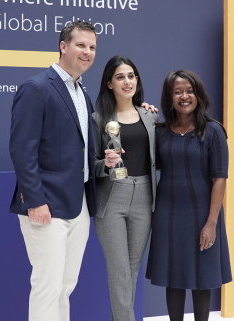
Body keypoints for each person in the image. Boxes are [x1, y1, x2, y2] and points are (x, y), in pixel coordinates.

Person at [9, 21, 98, 321]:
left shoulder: (81, 92)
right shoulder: (36, 88)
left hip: (79, 204)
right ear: (63, 46)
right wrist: (35, 201)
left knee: (65, 286)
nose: (87, 52)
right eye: (81, 45)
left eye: (92, 47)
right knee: (47, 285)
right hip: (45, 204)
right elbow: (23, 150)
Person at [145, 70, 232, 321]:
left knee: (202, 279)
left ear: (198, 95)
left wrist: (211, 224)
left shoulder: (214, 131)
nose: (184, 96)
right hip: (168, 216)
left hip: (203, 215)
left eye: (189, 91)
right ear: (169, 97)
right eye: (178, 91)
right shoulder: (160, 132)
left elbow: (220, 179)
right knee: (174, 278)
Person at [92, 55, 158, 321]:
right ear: (109, 83)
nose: (127, 81)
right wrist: (105, 165)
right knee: (119, 270)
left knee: (131, 270)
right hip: (112, 198)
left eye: (131, 76)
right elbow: (90, 165)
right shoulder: (99, 120)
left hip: (144, 196)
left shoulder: (150, 115)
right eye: (120, 77)